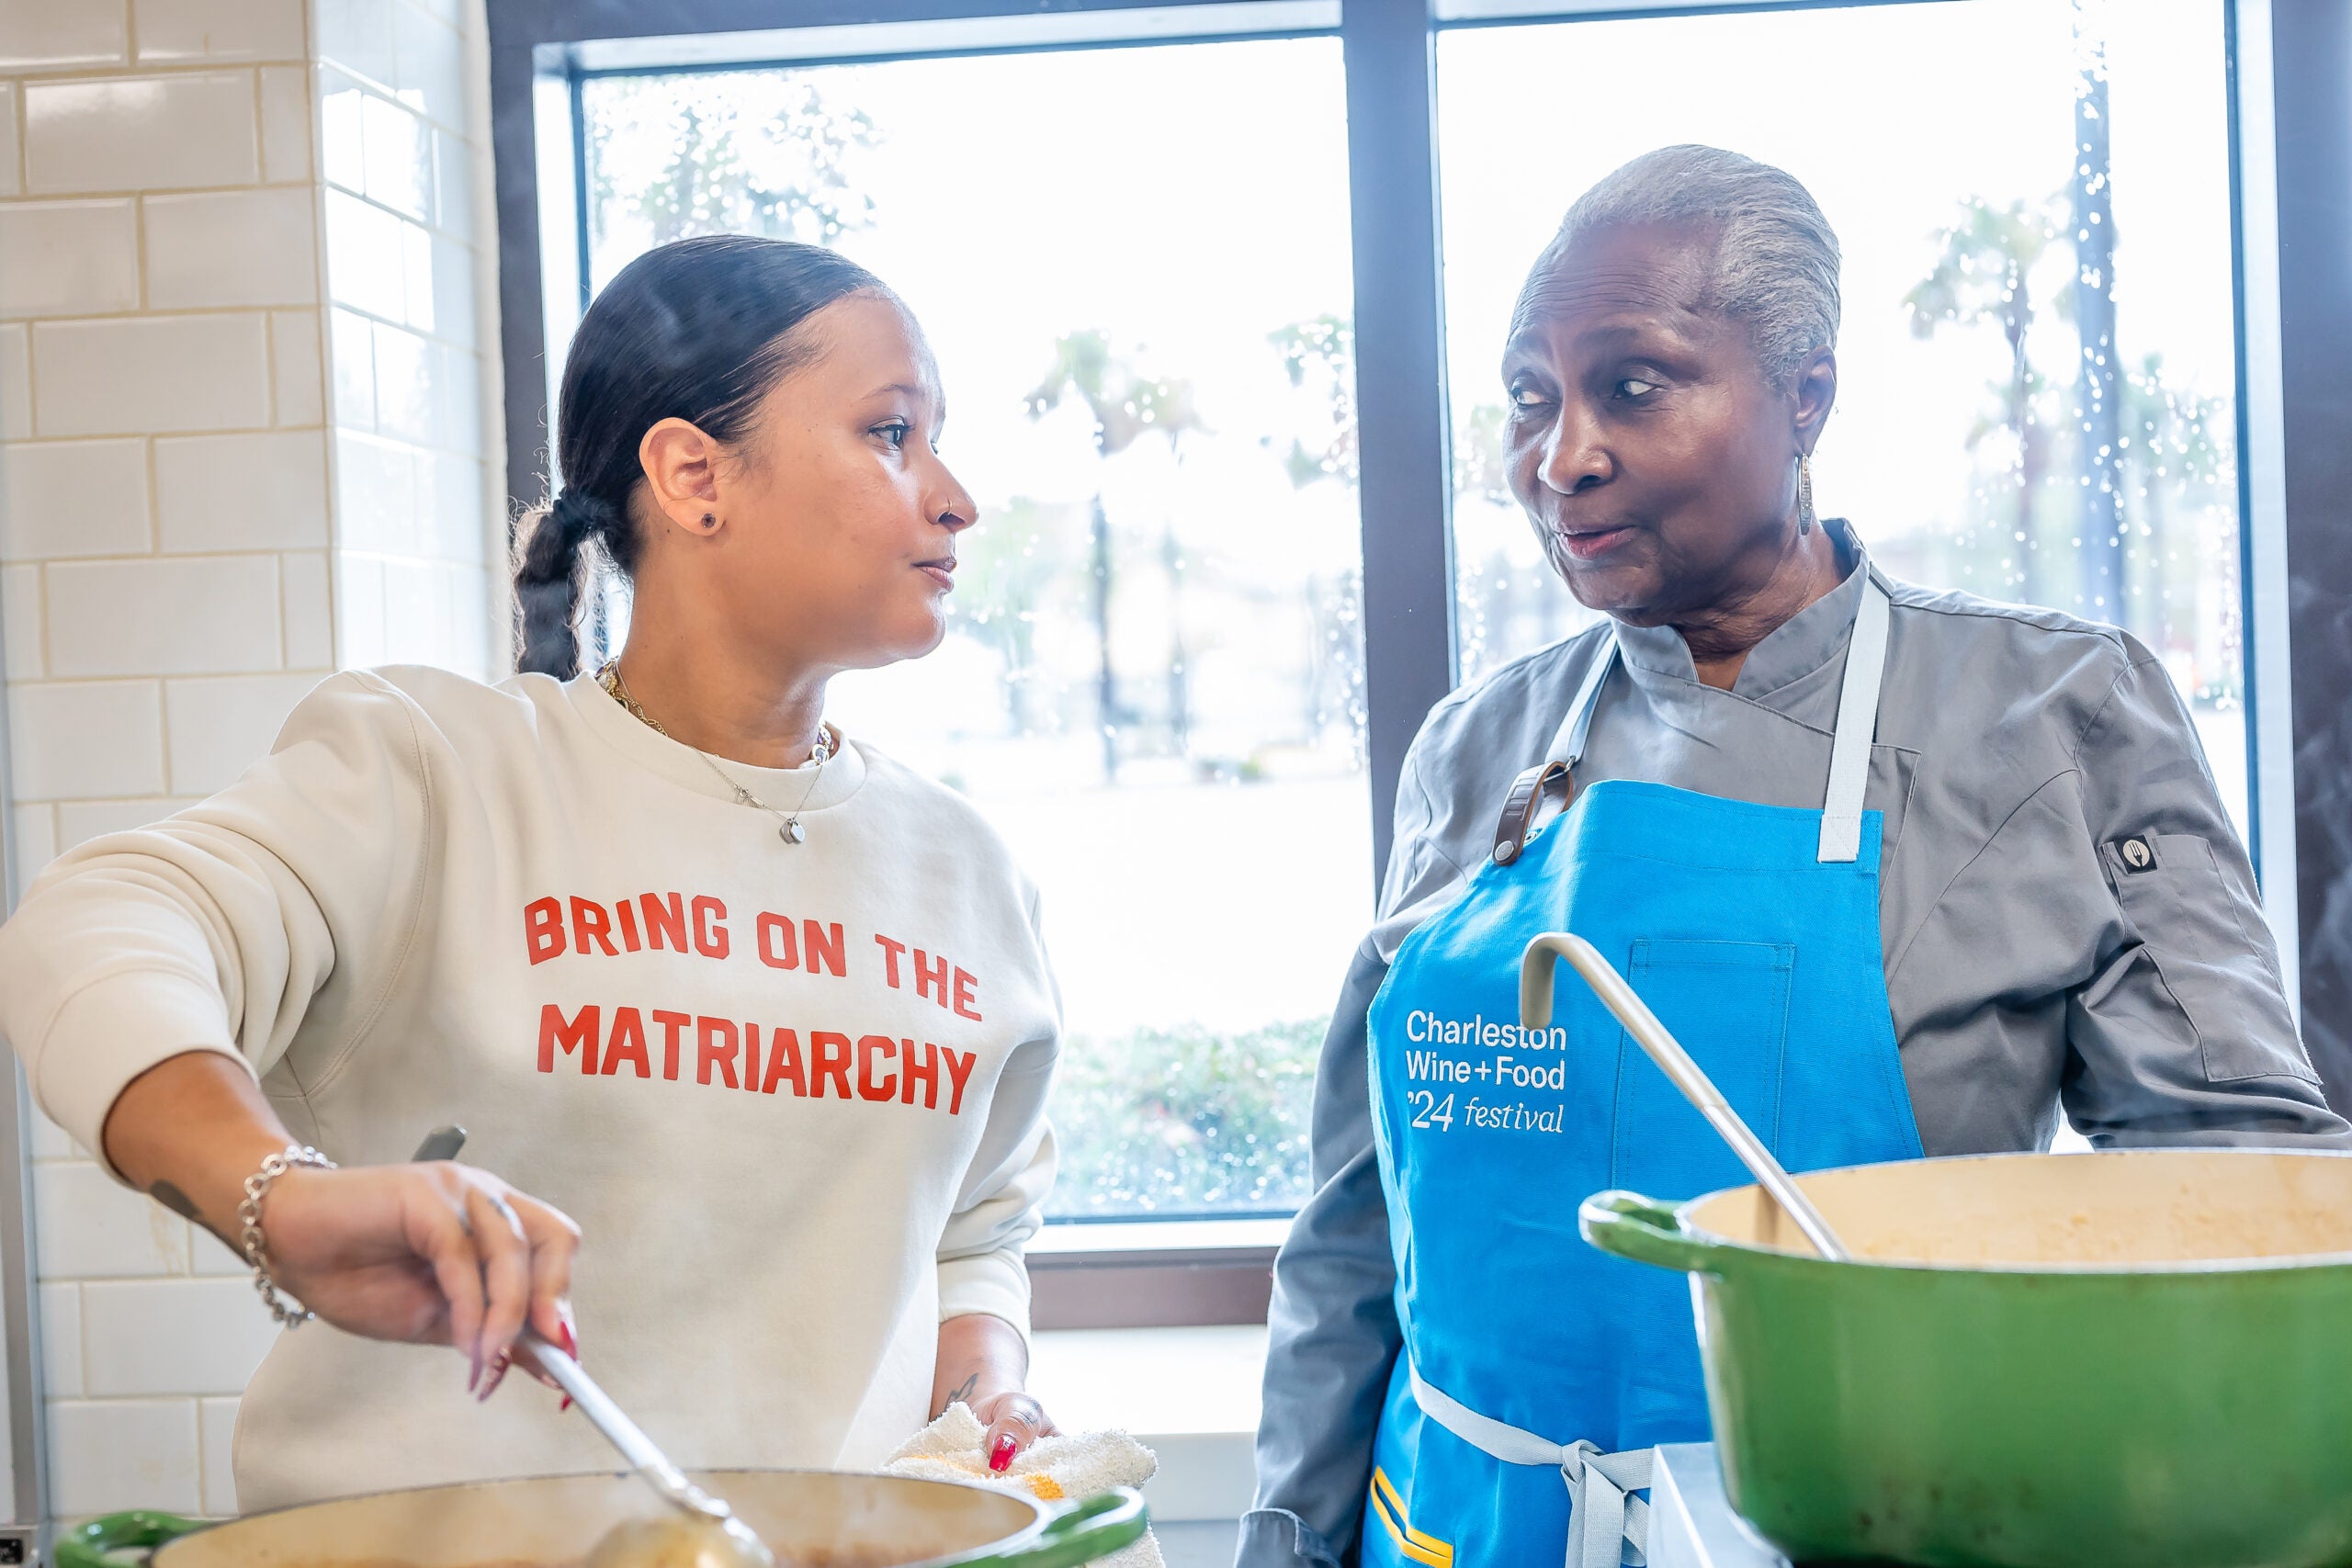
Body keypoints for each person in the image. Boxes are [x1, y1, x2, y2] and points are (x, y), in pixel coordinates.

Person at [1240, 145, 2345, 1568]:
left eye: (1632, 384)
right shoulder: (1479, 748)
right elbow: (1351, 1234)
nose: (1561, 455)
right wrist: (1285, 1538)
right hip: (1453, 1529)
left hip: (1880, 1526)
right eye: (1532, 397)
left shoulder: (2050, 715)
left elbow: (2241, 1206)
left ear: (1806, 392)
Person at [0, 235, 1064, 1510]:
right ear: (691, 475)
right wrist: (277, 1202)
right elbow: (95, 927)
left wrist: (982, 1384)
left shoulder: (966, 868)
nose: (954, 496)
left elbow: (976, 1232)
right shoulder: (439, 771)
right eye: (893, 432)